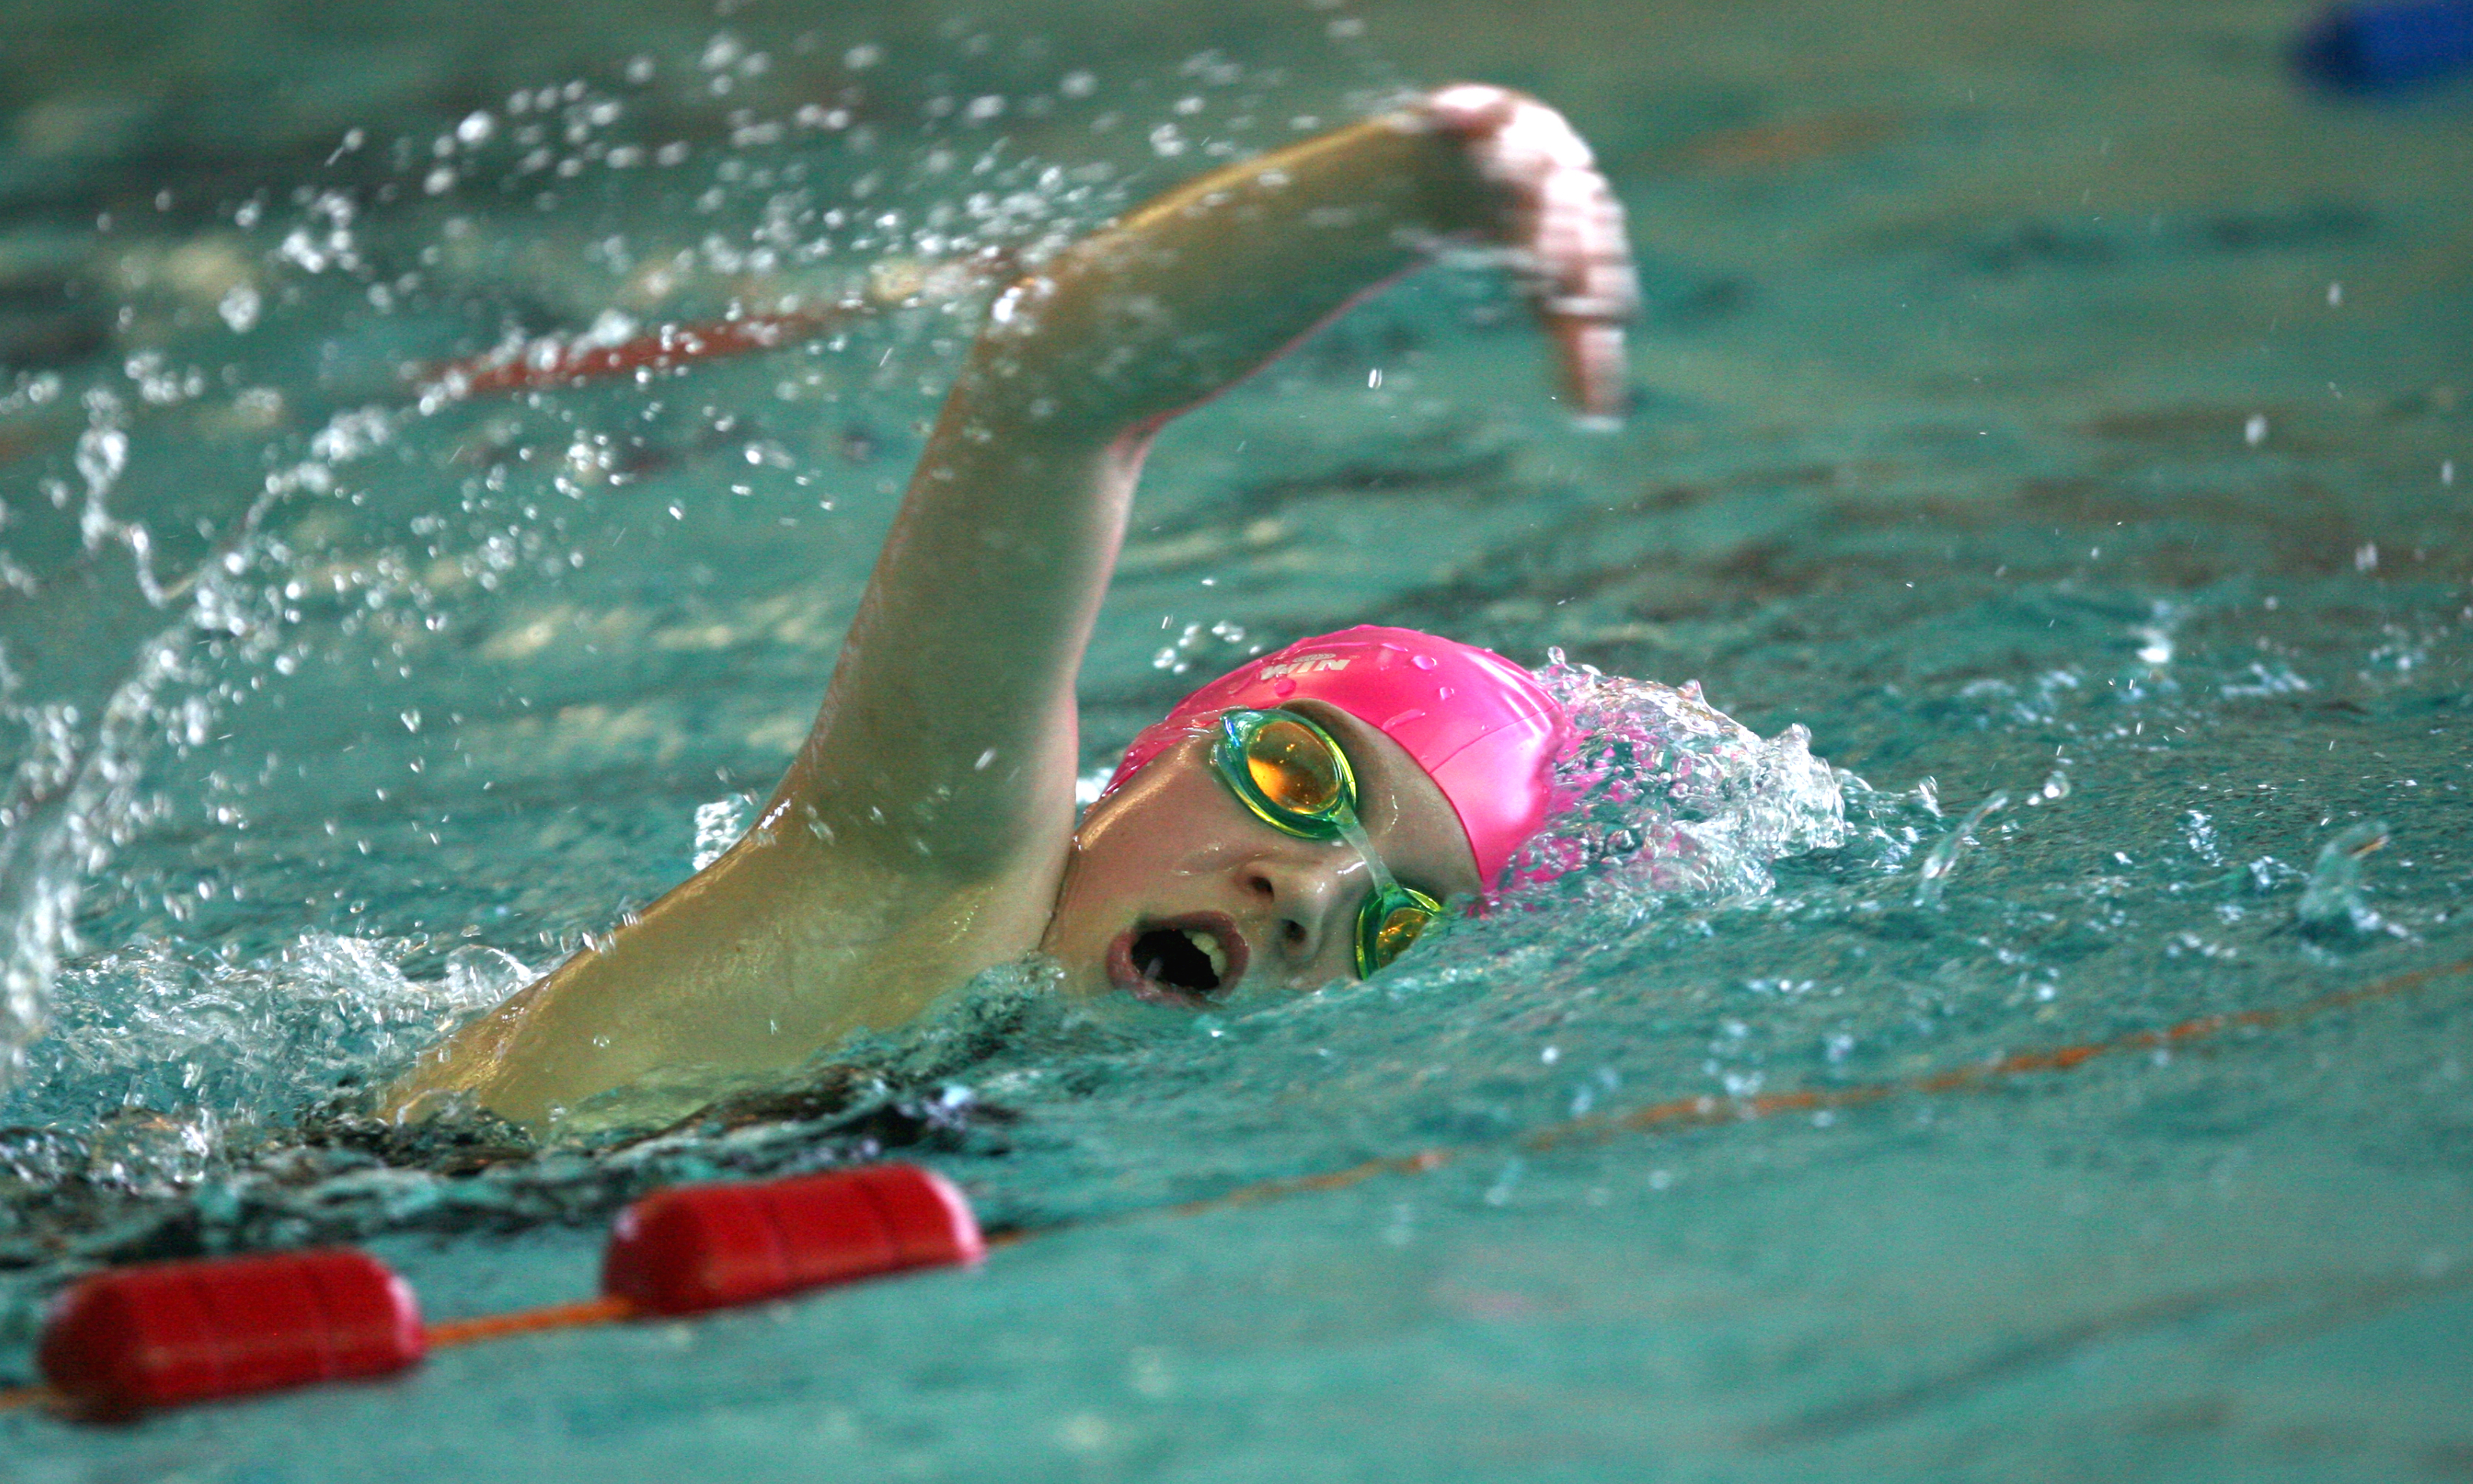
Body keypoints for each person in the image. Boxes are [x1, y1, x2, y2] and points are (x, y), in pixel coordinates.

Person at [385, 84, 1638, 1127]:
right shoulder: (924, 877)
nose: (1309, 896)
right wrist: (1410, 190)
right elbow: (1052, 387)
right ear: (1145, 764)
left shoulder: (1030, 1083)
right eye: (1302, 783)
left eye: (1393, 920)